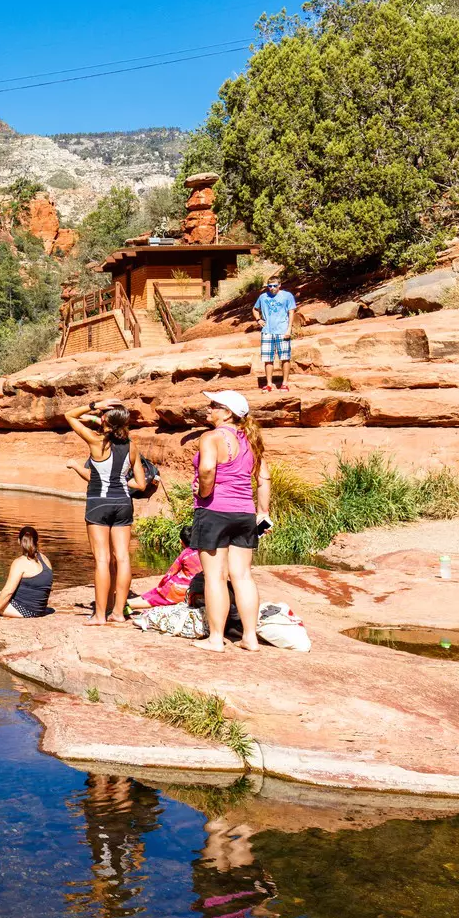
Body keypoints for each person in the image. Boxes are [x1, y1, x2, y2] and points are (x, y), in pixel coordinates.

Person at [191, 390, 271, 653]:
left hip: (214, 511)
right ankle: (250, 637)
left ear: (228, 413)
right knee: (243, 575)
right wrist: (263, 513)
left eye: (214, 405)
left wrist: (204, 494)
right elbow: (264, 479)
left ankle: (216, 639)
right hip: (244, 513)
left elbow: (207, 469)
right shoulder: (252, 440)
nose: (208, 408)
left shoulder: (210, 437)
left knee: (215, 576)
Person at [64, 398, 153, 626]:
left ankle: (99, 615)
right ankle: (118, 613)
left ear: (104, 420)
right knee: (122, 558)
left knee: (102, 559)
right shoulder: (132, 446)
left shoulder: (96, 442)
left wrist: (96, 405)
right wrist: (121, 483)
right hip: (123, 503)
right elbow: (141, 484)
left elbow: (70, 415)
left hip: (99, 503)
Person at [253, 274, 296, 392]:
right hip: (267, 331)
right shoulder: (263, 297)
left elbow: (291, 312)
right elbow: (255, 309)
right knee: (268, 359)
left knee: (285, 357)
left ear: (279, 285)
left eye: (274, 286)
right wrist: (259, 320)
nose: (272, 288)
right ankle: (269, 384)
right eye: (269, 286)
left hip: (282, 330)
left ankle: (285, 383)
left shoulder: (287, 296)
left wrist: (289, 329)